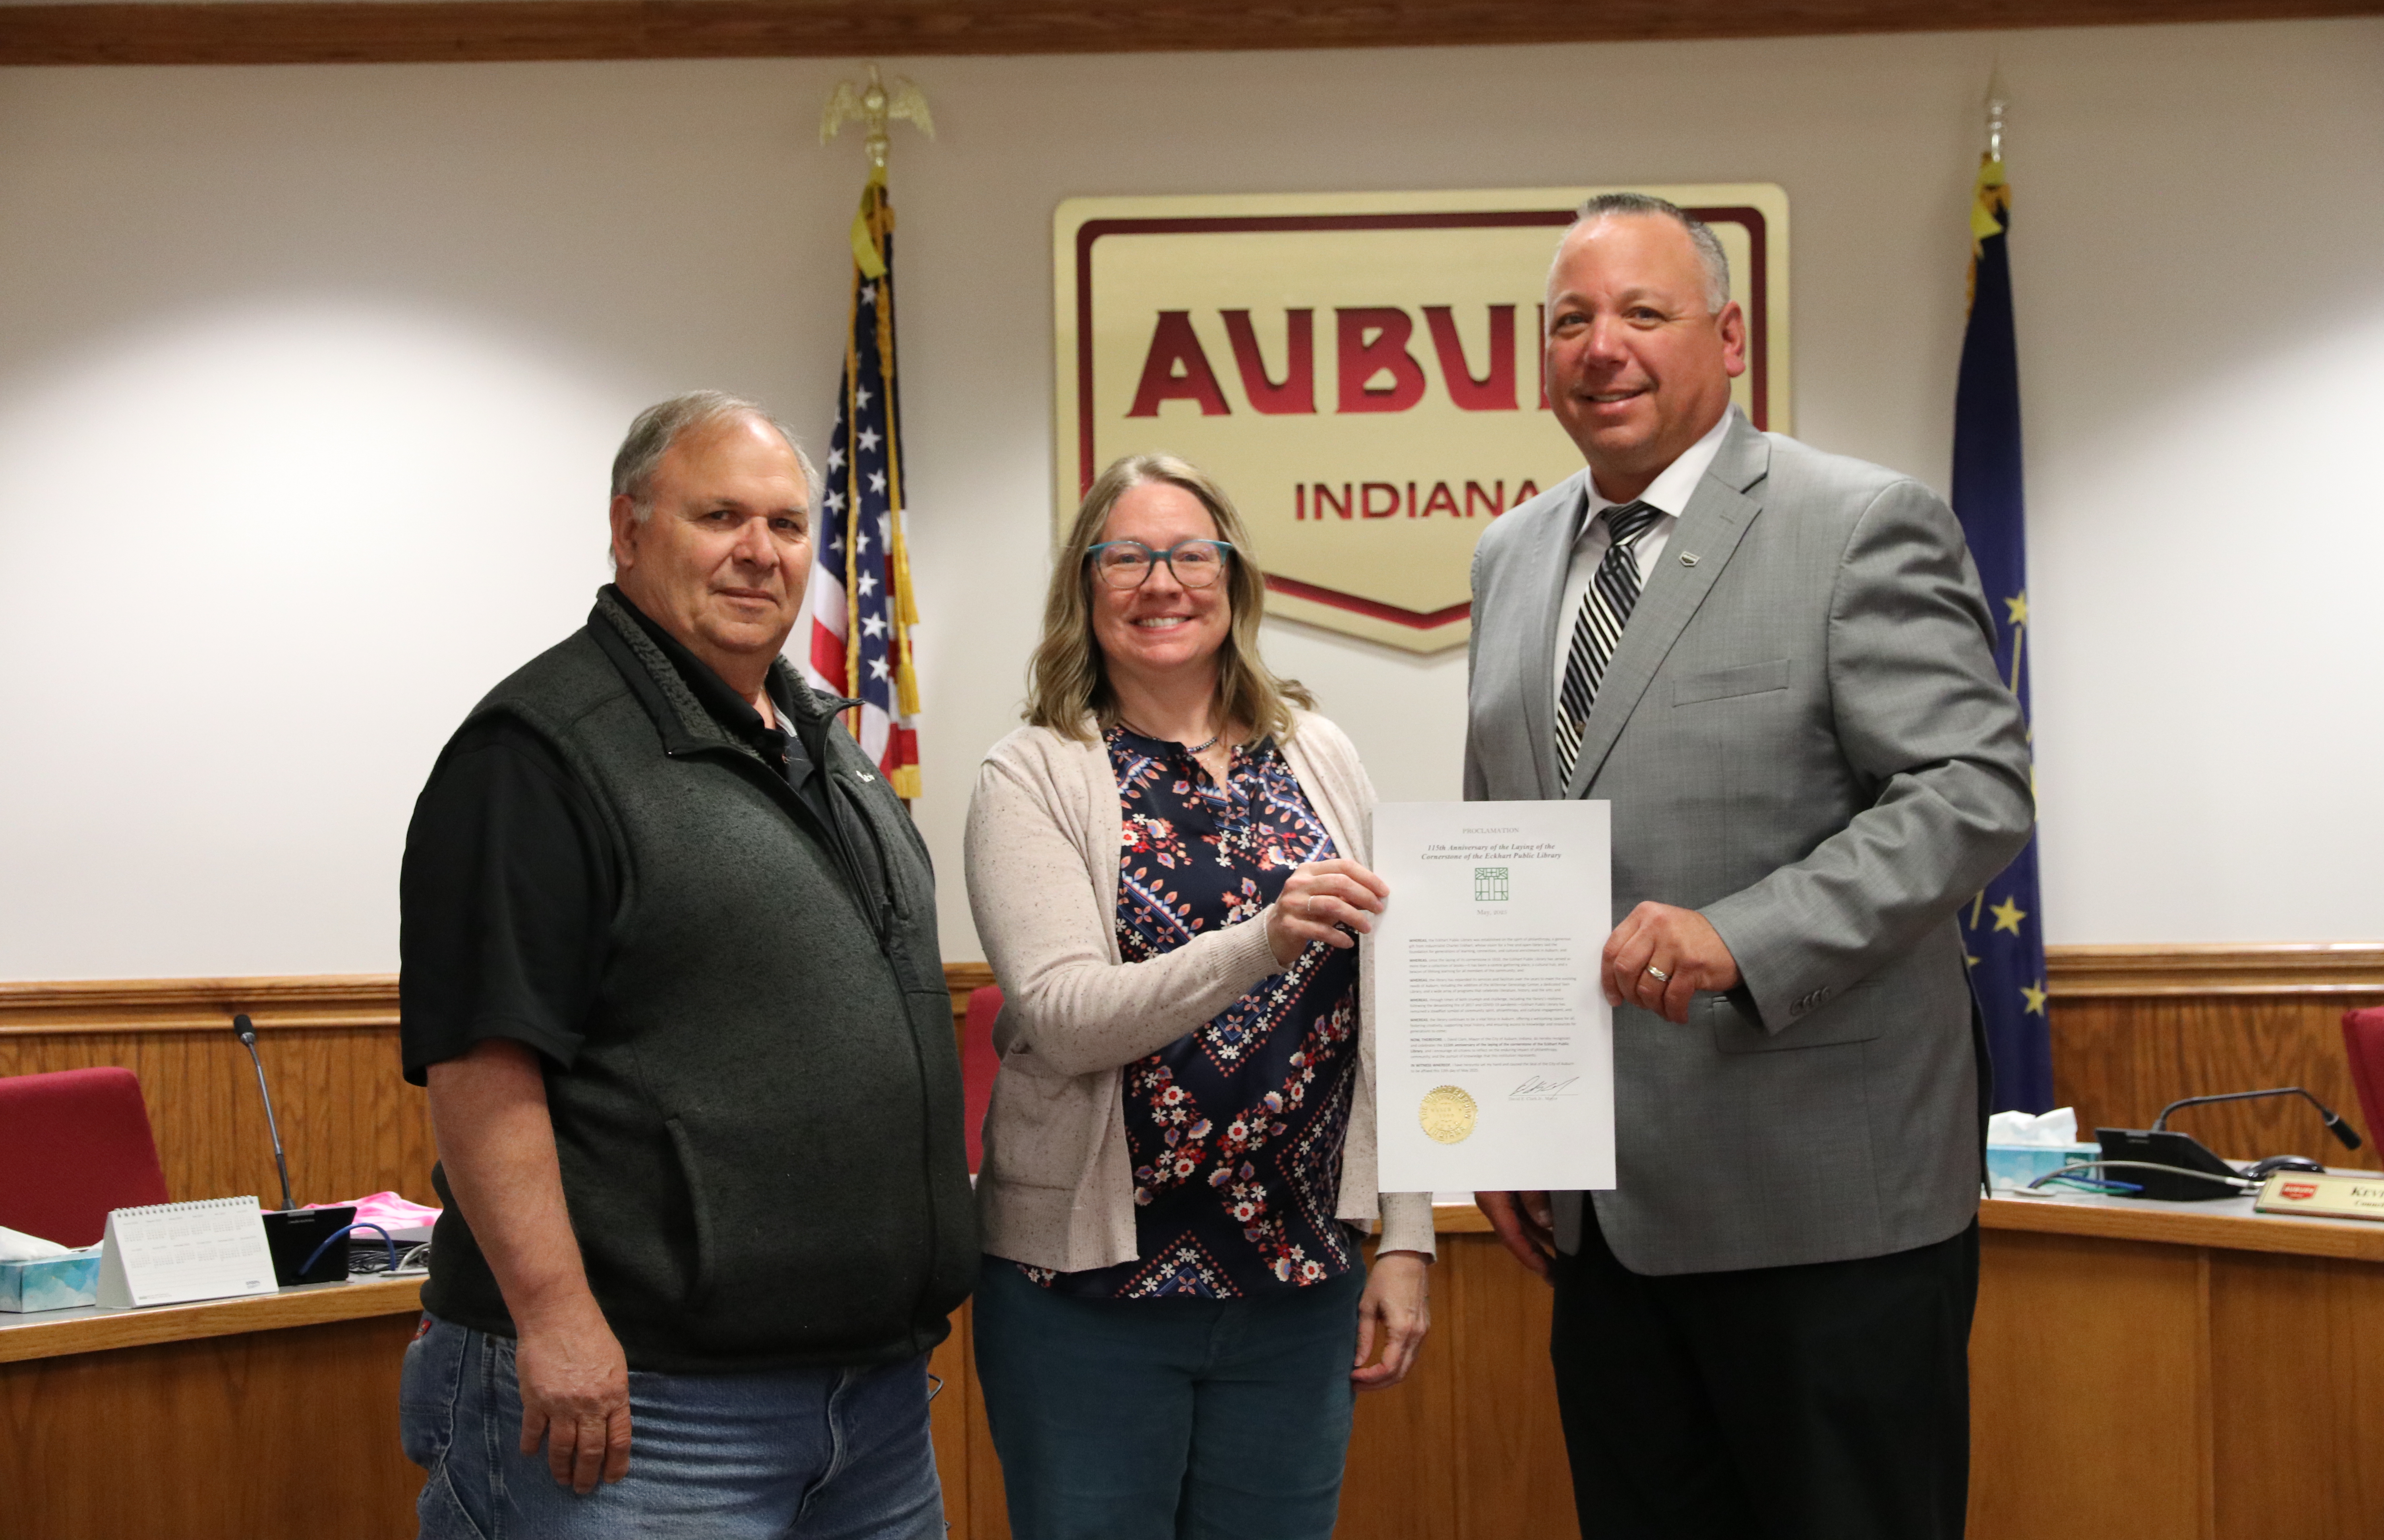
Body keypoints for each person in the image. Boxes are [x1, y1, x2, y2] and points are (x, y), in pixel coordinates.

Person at [1466, 195, 2034, 1539]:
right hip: (1602, 1221)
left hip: (1828, 1211)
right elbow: (1512, 840)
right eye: (1571, 321)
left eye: (1643, 314)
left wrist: (1749, 934)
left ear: (1729, 339)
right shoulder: (1509, 557)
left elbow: (1972, 786)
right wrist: (1498, 1113)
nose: (1602, 347)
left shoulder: (1856, 524)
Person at [395, 392, 976, 1538]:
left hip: (870, 1410)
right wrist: (557, 1322)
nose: (761, 555)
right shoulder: (539, 754)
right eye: (720, 517)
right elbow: (481, 1067)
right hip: (639, 1413)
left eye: (788, 526)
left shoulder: (825, 743)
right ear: (628, 530)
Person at [963, 453, 1433, 1540]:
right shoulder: (1033, 772)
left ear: (1235, 579)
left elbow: (1390, 1009)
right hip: (1086, 1300)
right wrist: (1260, 941)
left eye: (1189, 554)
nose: (1160, 581)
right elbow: (1066, 1017)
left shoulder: (1319, 753)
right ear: (1085, 590)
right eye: (1125, 556)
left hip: (1296, 1286)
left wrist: (1405, 1236)